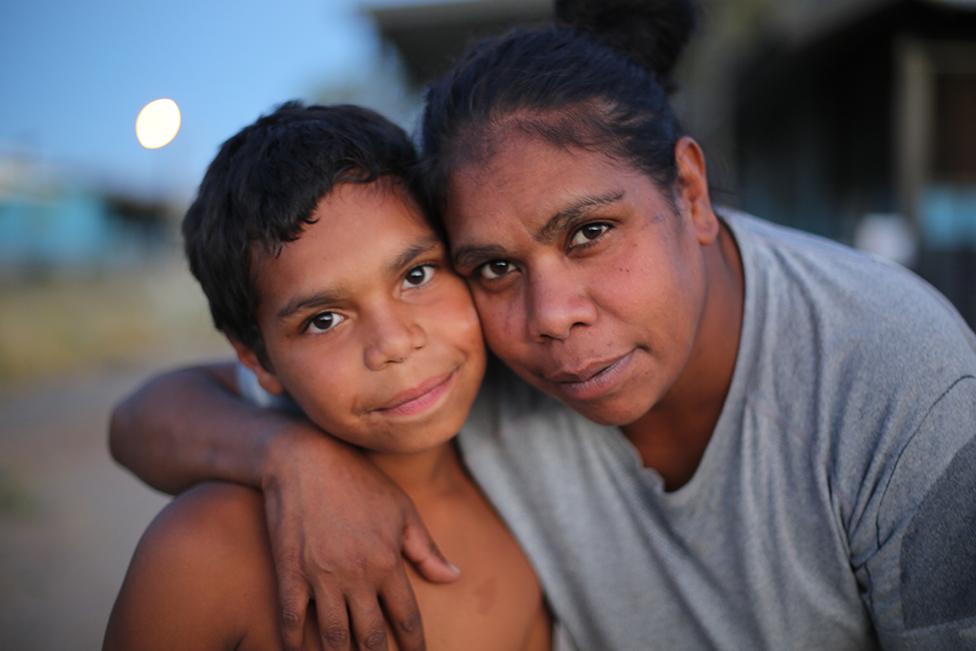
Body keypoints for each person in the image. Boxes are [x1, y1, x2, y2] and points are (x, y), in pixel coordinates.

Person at [110, 1, 976, 649]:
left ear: (692, 192)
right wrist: (288, 457)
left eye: (591, 232)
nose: (552, 316)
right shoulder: (462, 366)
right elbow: (145, 416)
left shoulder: (896, 379)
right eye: (491, 265)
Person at [103, 102, 565, 651]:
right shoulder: (206, 550)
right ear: (258, 361)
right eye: (324, 320)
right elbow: (135, 418)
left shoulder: (526, 508)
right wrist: (291, 457)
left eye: (416, 275)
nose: (393, 343)